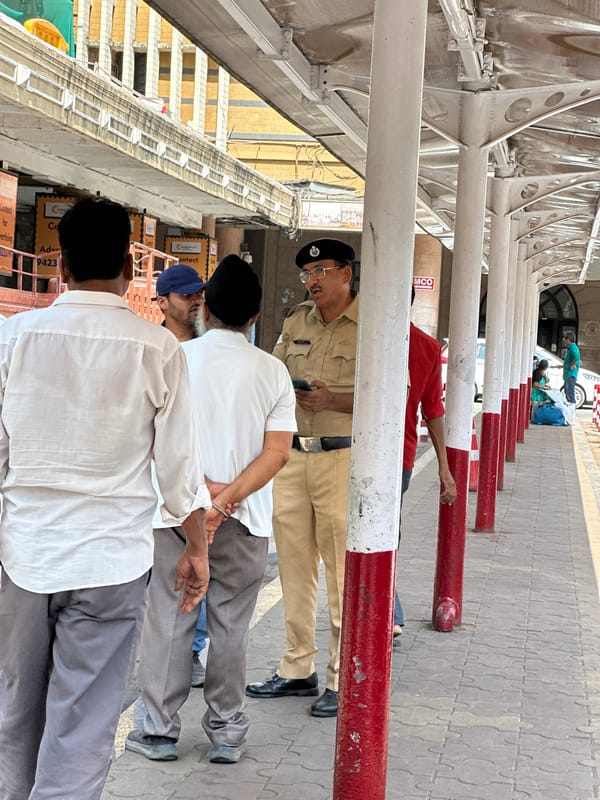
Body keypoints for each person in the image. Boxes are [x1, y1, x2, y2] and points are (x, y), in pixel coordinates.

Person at [0, 197, 210, 800]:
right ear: (128, 266)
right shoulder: (158, 349)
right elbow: (179, 469)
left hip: (24, 554)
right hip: (111, 562)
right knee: (84, 719)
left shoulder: (14, 337)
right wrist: (196, 548)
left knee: (14, 707)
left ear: (61, 265)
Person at [126, 254, 296, 764]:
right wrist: (224, 502)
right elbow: (278, 453)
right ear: (254, 315)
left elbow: (152, 441)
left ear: (207, 310)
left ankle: (158, 730)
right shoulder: (273, 371)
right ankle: (226, 731)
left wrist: (202, 497)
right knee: (230, 628)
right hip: (245, 521)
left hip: (175, 518)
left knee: (169, 619)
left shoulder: (176, 359)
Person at [246, 238, 357, 719]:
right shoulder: (296, 322)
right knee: (294, 565)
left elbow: (392, 393)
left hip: (341, 457)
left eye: (321, 272)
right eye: (307, 275)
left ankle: (340, 675)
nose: (312, 281)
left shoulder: (372, 325)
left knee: (341, 571)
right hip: (292, 458)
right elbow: (273, 376)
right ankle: (297, 667)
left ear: (345, 274)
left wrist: (334, 401)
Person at [153, 262, 209, 688]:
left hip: (203, 490)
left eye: (199, 295)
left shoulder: (210, 352)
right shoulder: (150, 350)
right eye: (186, 295)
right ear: (162, 302)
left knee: (196, 579)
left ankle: (192, 651)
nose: (195, 301)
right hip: (154, 494)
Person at [393, 288, 457, 639]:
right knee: (387, 530)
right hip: (401, 458)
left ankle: (388, 612)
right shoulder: (428, 347)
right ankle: (389, 612)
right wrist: (444, 469)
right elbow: (434, 411)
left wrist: (445, 469)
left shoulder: (359, 335)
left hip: (353, 451)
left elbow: (433, 410)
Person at [154, 262, 206, 342]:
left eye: (200, 293)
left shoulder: (210, 343)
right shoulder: (151, 344)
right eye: (186, 294)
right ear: (162, 302)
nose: (197, 301)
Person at [562, 332, 580, 405]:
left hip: (570, 374)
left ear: (568, 339)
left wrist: (572, 365)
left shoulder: (573, 348)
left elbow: (576, 356)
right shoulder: (570, 348)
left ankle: (571, 408)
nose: (563, 340)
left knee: (569, 393)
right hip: (568, 374)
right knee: (567, 392)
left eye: (565, 338)